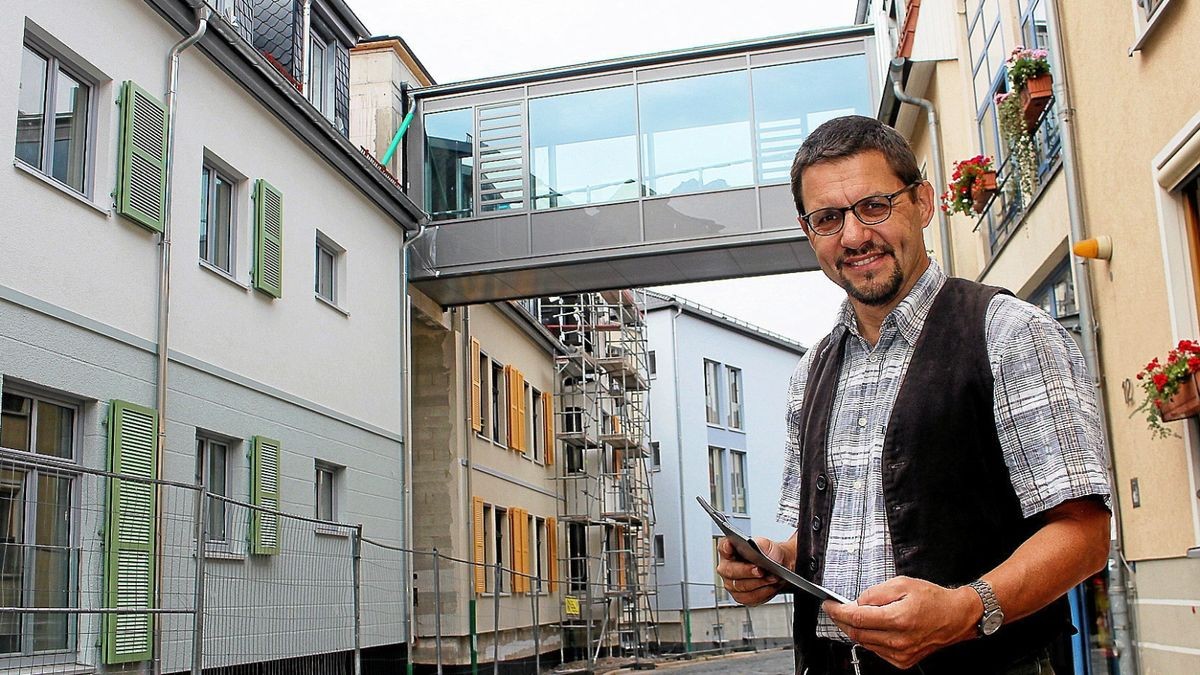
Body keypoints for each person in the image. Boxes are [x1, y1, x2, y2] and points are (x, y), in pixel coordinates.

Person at [714, 115, 1111, 675]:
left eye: (873, 206)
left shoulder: (1008, 332)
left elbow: (1085, 534)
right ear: (810, 233)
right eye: (828, 218)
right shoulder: (810, 373)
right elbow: (820, 537)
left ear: (922, 203)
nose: (853, 236)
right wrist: (775, 562)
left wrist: (965, 609)